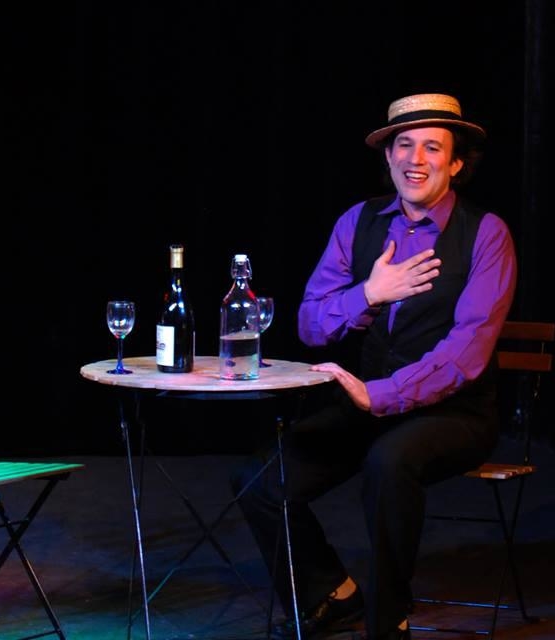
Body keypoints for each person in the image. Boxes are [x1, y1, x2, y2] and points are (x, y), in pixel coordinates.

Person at [231, 92, 517, 640]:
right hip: (370, 404)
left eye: (432, 147)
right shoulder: (357, 222)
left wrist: (379, 395)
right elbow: (311, 325)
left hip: (455, 412)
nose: (416, 159)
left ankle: (388, 621)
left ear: (456, 163)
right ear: (388, 157)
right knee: (259, 481)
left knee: (389, 463)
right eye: (404, 145)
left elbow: (468, 350)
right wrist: (368, 293)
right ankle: (331, 594)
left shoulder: (486, 233)